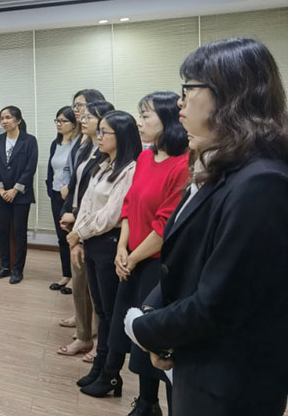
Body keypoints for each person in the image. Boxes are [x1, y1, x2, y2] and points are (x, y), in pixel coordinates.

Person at [128, 38, 288, 416]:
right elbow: (184, 265)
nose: (180, 104)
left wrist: (143, 328)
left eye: (188, 90)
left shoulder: (262, 181)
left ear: (227, 94)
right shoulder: (218, 167)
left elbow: (220, 302)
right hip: (198, 362)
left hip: (230, 383)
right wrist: (152, 315)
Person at [88, 92, 189, 414]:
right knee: (133, 333)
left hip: (157, 265)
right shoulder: (146, 157)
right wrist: (122, 248)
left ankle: (158, 404)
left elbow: (165, 225)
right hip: (131, 258)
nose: (140, 122)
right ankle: (146, 402)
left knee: (154, 336)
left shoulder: (183, 164)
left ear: (168, 120)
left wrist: (131, 258)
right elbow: (130, 205)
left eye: (146, 116)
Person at [68, 111, 141, 397]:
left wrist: (80, 234)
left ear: (120, 136)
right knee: (100, 310)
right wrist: (79, 234)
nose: (98, 137)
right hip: (93, 243)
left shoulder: (130, 169)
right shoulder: (103, 164)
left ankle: (111, 374)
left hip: (109, 243)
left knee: (111, 313)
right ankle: (99, 367)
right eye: (98, 131)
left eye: (104, 132)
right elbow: (87, 203)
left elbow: (112, 215)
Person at [57, 99, 114, 358]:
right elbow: (75, 185)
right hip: (77, 219)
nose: (82, 118)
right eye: (82, 114)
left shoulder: (107, 151)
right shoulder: (84, 147)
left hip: (94, 225)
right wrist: (67, 211)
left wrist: (77, 215)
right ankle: (83, 335)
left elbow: (98, 197)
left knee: (97, 289)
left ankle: (99, 340)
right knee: (79, 282)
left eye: (89, 115)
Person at [0, 106, 38, 284]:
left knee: (19, 232)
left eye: (8, 117)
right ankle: (4, 266)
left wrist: (15, 189)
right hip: (2, 194)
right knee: (3, 231)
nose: (5, 121)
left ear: (18, 120)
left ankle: (18, 269)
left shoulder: (29, 140)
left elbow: (30, 168)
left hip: (21, 194)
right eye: (2, 118)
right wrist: (1, 189)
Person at [46, 106, 78, 294]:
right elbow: (51, 170)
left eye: (63, 121)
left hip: (71, 196)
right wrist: (51, 190)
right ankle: (66, 274)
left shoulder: (79, 144)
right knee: (61, 237)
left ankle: (76, 278)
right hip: (56, 194)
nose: (59, 124)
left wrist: (70, 190)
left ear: (74, 124)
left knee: (74, 237)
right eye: (57, 121)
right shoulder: (55, 143)